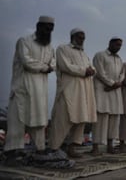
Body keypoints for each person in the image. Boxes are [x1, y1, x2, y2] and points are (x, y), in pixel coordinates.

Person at [3, 16, 55, 161]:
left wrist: (49, 67)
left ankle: (40, 148)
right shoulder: (24, 41)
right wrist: (45, 67)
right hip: (22, 88)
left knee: (39, 119)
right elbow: (27, 62)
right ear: (38, 26)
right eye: (46, 28)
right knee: (17, 119)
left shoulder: (50, 47)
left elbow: (54, 63)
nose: (48, 31)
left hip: (40, 90)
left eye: (51, 29)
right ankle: (13, 149)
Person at [49, 28, 97, 158]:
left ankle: (72, 148)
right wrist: (84, 71)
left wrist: (92, 70)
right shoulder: (62, 49)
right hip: (68, 89)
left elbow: (92, 67)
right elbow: (66, 66)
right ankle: (54, 148)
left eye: (83, 37)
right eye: (79, 37)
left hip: (84, 91)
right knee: (63, 118)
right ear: (72, 37)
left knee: (81, 119)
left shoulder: (84, 54)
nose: (82, 40)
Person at [91, 37, 125, 154]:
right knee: (101, 118)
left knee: (114, 119)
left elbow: (122, 74)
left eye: (120, 45)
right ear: (110, 43)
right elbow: (100, 72)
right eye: (117, 44)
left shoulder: (119, 59)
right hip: (103, 91)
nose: (118, 47)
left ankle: (110, 146)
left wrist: (118, 83)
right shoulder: (100, 55)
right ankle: (95, 147)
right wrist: (111, 83)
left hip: (115, 92)